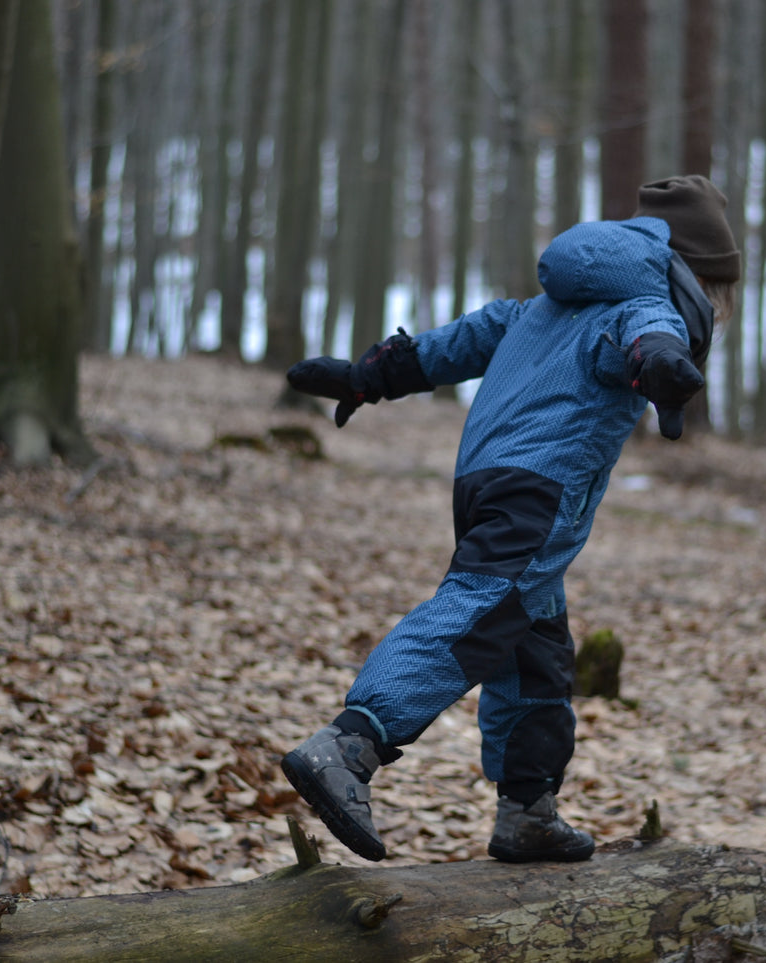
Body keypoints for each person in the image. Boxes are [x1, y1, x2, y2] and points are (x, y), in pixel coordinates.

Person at [280, 175, 740, 863]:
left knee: (534, 649)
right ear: (702, 277)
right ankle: (349, 744)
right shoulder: (649, 303)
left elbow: (467, 339)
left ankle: (527, 810)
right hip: (540, 488)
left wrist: (366, 376)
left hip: (483, 478)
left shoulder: (550, 304)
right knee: (482, 608)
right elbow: (647, 338)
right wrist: (664, 365)